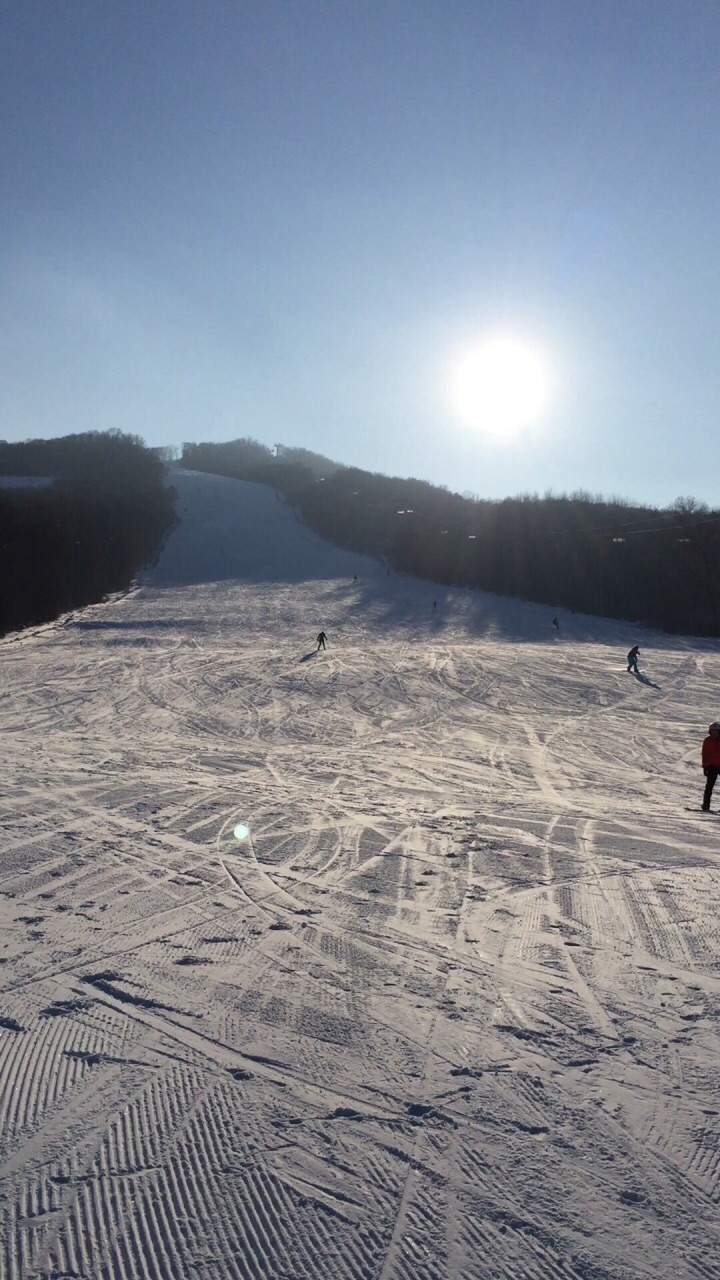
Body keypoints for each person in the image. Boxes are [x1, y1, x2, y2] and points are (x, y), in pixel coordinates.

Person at [701, 722, 720, 810]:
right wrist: (705, 766)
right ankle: (706, 805)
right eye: (712, 731)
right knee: (709, 787)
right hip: (712, 766)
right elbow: (705, 754)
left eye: (716, 731)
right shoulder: (707, 740)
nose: (714, 732)